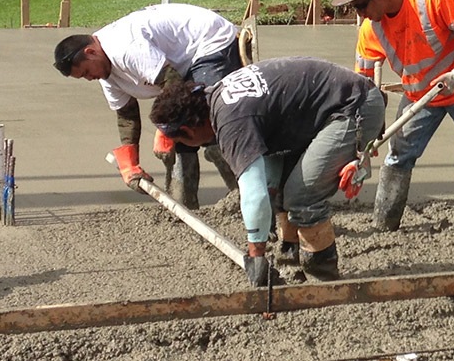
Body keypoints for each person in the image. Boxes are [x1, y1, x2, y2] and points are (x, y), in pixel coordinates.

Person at [149, 57, 385, 285]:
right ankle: (289, 265)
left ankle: (322, 278)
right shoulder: (215, 97)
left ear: (189, 132)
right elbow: (266, 184)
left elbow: (254, 194)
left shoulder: (231, 122)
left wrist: (256, 256)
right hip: (324, 107)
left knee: (302, 196)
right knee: (281, 189)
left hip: (355, 106)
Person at [331, 0, 454, 233]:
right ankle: (384, 224)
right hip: (421, 95)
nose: (359, 15)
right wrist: (371, 133)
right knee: (397, 154)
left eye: (359, 6)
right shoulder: (370, 29)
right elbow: (365, 89)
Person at [54, 3, 244, 209]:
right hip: (181, 63)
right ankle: (185, 206)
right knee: (182, 134)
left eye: (85, 73)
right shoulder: (106, 73)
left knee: (210, 120)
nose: (89, 79)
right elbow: (126, 114)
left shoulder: (125, 48)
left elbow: (172, 81)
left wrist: (165, 131)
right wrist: (129, 162)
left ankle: (246, 194)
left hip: (208, 41)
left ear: (90, 52)